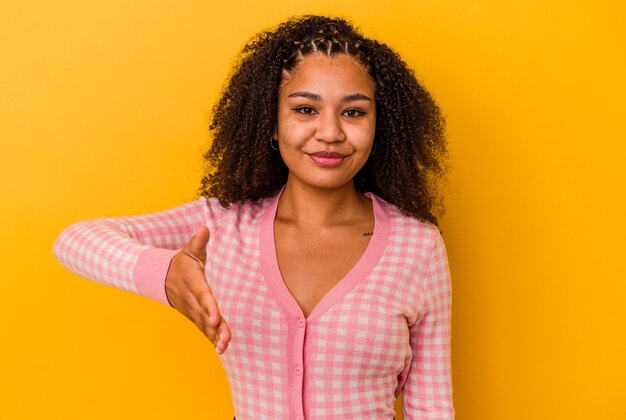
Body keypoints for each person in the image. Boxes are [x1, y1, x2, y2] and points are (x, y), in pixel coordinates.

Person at [53, 15, 454, 419]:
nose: (330, 131)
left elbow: (432, 408)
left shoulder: (416, 245)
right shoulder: (224, 226)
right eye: (305, 109)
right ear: (272, 125)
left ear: (377, 125)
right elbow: (75, 240)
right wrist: (165, 275)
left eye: (353, 113)